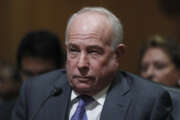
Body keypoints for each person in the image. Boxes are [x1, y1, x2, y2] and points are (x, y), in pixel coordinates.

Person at [12, 7, 172, 120]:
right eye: (73, 50)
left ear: (117, 54)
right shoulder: (35, 93)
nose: (81, 64)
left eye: (93, 51)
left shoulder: (148, 103)